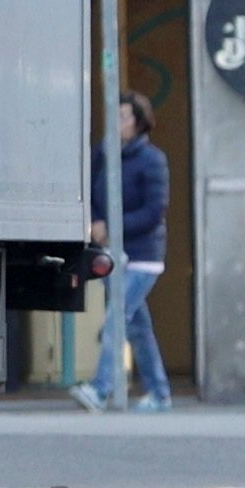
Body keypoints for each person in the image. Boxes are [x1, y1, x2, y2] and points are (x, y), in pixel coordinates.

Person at [78, 94, 170, 414]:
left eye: (124, 116)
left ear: (138, 122)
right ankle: (160, 393)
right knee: (138, 328)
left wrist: (114, 227)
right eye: (114, 116)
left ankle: (100, 389)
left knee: (117, 317)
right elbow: (89, 189)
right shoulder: (104, 153)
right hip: (113, 254)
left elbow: (154, 210)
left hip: (143, 257)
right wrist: (97, 222)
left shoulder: (152, 160)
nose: (118, 123)